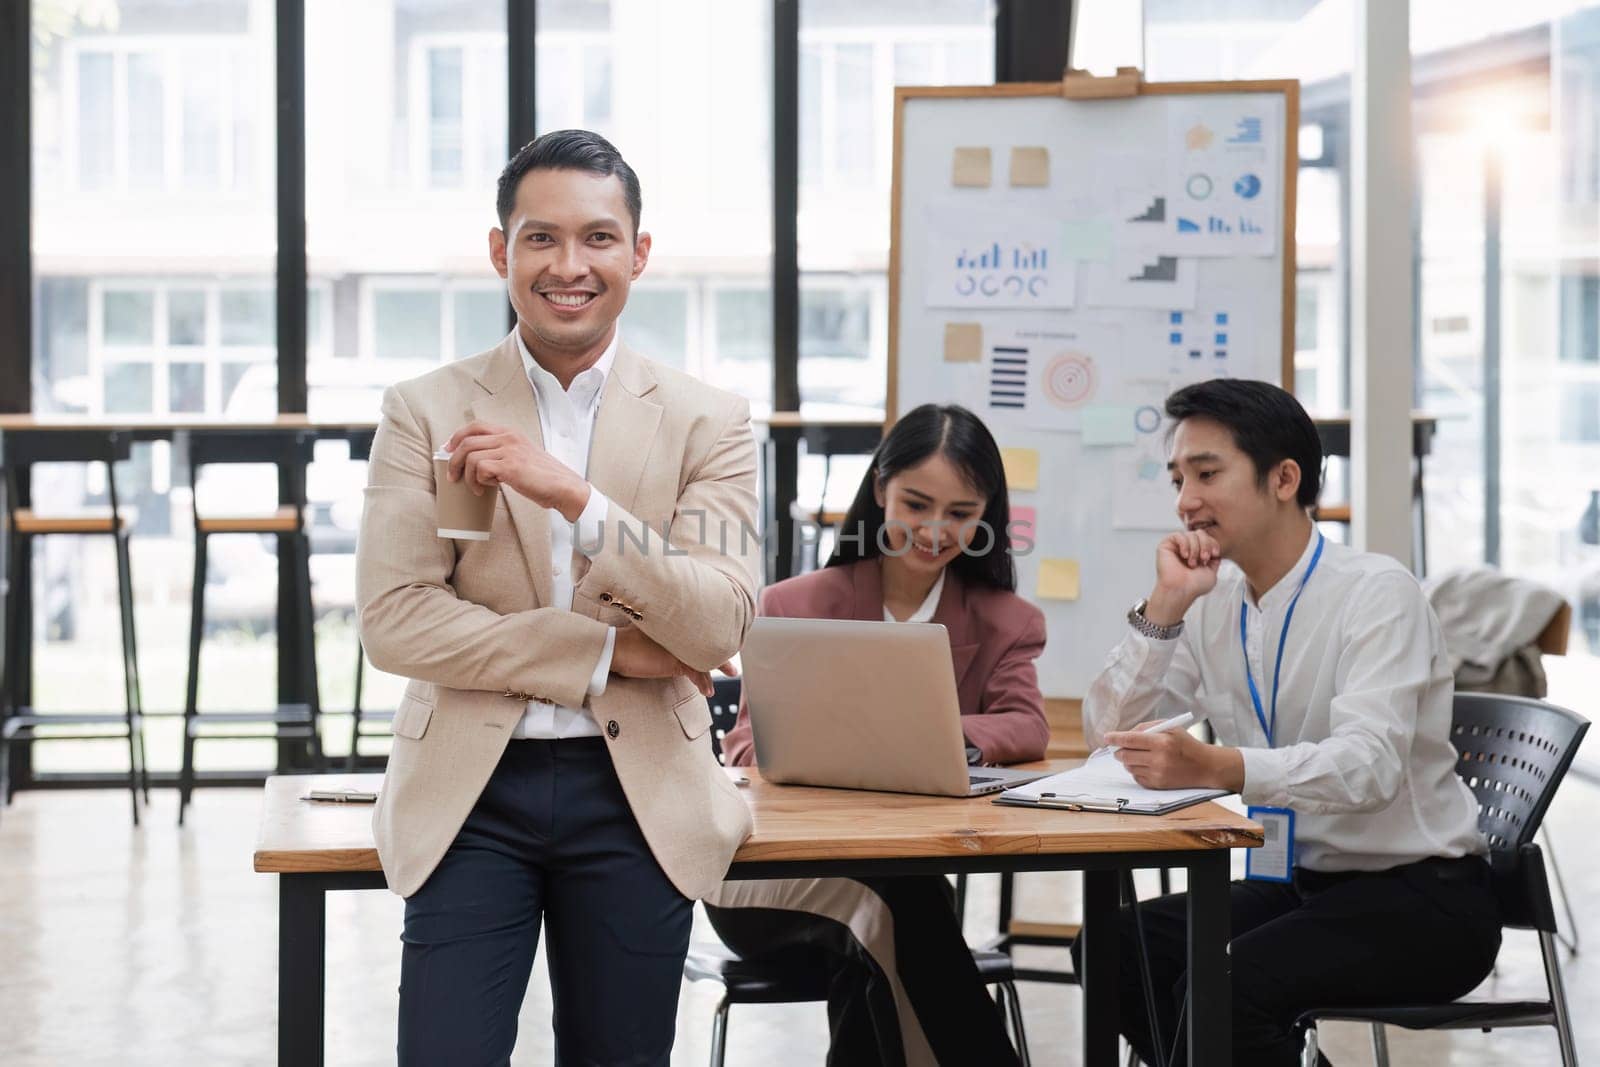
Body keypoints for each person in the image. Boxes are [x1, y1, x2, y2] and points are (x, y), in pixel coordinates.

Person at [356, 129, 760, 1065]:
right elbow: (397, 620)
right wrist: (605, 654)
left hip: (638, 793)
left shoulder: (712, 420)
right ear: (501, 252)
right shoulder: (422, 410)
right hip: (470, 792)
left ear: (638, 253)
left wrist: (574, 498)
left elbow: (718, 619)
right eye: (540, 239)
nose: (568, 265)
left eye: (597, 238)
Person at [1077, 378, 1500, 1066]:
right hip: (1296, 883)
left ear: (1283, 477)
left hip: (1424, 899)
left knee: (1224, 985)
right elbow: (1110, 734)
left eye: (1207, 473)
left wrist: (1224, 767)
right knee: (1112, 945)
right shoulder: (1212, 600)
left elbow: (1370, 767)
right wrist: (1163, 607)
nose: (1186, 500)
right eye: (1179, 477)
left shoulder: (1376, 592)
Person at [709, 403, 1048, 1067]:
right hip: (770, 883)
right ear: (879, 491)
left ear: (986, 518)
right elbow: (745, 746)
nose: (933, 529)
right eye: (916, 504)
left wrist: (920, 730)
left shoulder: (1006, 618)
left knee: (884, 941)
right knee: (904, 908)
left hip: (900, 880)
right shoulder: (792, 604)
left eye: (959, 512)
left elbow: (1026, 724)